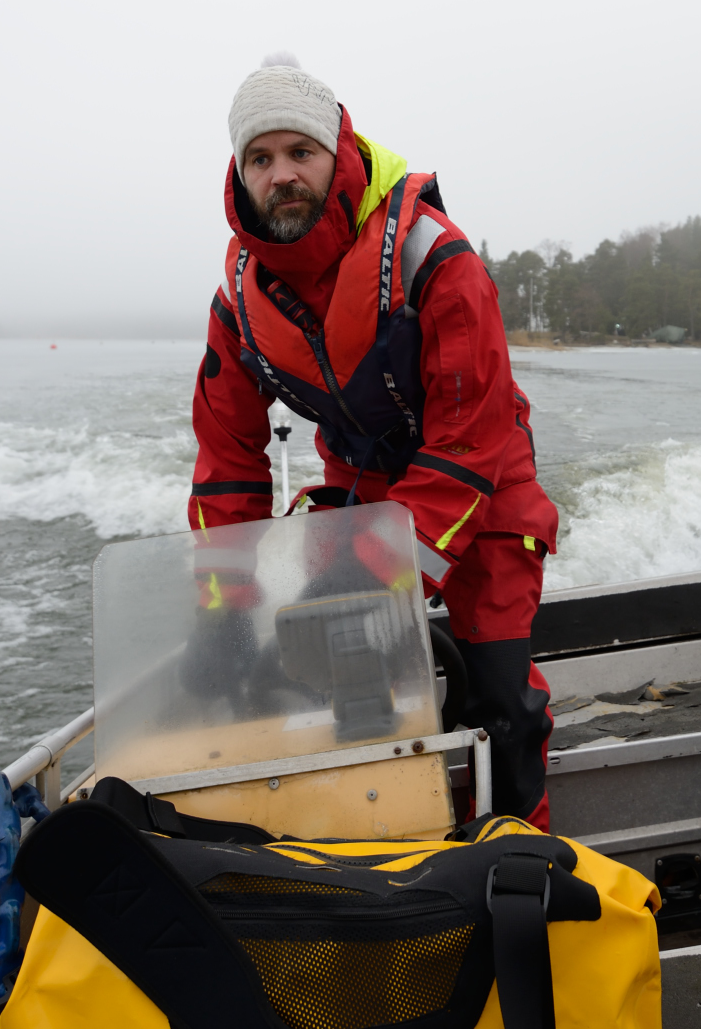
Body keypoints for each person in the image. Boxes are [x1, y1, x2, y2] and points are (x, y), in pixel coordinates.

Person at [188, 54, 559, 830]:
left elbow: (472, 437)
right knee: (352, 696)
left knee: (501, 705)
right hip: (360, 490)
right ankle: (389, 860)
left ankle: (521, 867)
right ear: (240, 173)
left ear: (338, 153)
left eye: (300, 153)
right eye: (261, 157)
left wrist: (383, 568)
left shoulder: (434, 260)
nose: (281, 174)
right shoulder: (242, 304)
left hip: (484, 488)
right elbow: (227, 465)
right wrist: (225, 606)